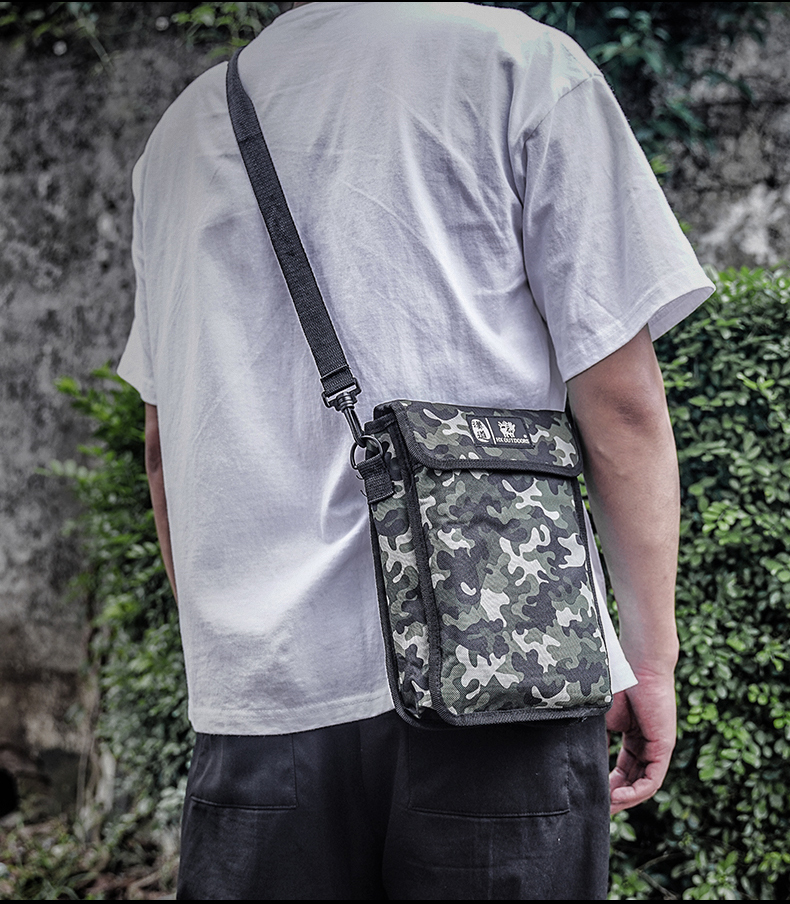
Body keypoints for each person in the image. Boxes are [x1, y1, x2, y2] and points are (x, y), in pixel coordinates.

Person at [118, 2, 714, 899]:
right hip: (503, 672)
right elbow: (621, 406)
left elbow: (165, 449)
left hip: (263, 706)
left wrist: (235, 662)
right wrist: (653, 658)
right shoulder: (518, 65)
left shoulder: (181, 132)